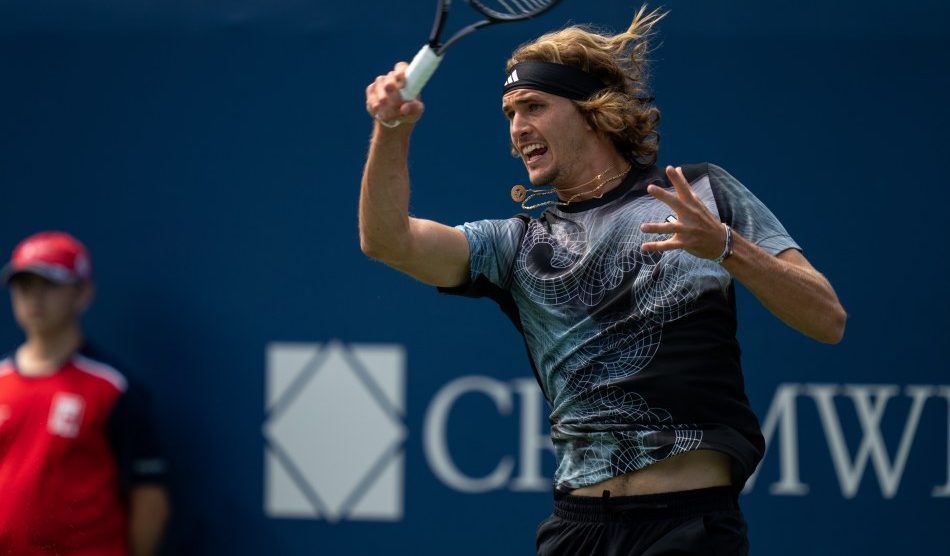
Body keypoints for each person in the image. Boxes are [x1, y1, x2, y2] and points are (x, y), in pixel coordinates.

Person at [360, 5, 846, 555]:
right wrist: (392, 127)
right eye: (509, 114)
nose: (518, 129)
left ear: (595, 112)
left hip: (688, 528)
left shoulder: (701, 196)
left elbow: (827, 319)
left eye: (534, 107)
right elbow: (388, 241)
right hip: (577, 529)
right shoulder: (517, 244)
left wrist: (726, 248)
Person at [0, 231, 170, 556]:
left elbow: (149, 498)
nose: (34, 299)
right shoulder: (1, 381)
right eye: (24, 286)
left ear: (83, 294)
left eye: (48, 285)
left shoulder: (112, 387)